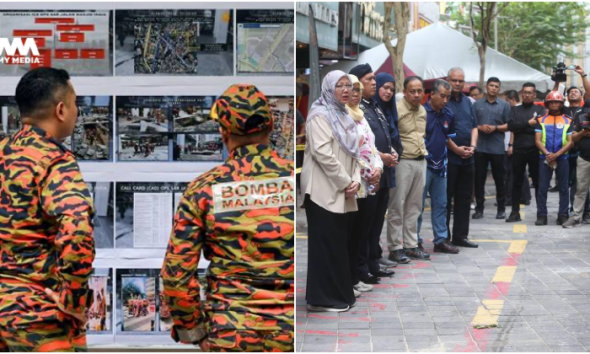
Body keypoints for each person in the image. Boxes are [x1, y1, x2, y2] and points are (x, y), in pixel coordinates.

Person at [162, 84, 294, 351]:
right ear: (270, 127)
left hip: (229, 333)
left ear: (223, 133)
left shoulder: (203, 189)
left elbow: (176, 275)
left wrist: (196, 334)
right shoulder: (295, 179)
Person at [0, 68, 95, 351]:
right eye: (75, 103)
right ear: (61, 110)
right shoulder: (55, 161)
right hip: (38, 317)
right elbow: (77, 230)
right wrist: (75, 302)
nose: (77, 111)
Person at [299, 70, 361, 313]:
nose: (346, 90)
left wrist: (354, 179)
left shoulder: (343, 115)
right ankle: (321, 299)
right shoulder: (319, 116)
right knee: (326, 247)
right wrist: (346, 182)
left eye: (348, 85)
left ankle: (336, 295)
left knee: (337, 246)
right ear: (328, 88)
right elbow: (323, 154)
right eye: (340, 86)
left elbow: (354, 152)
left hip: (342, 189)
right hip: (323, 191)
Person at [350, 64, 399, 275]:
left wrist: (391, 152)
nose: (373, 83)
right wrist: (382, 157)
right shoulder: (355, 108)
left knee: (377, 220)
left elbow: (381, 136)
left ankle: (372, 262)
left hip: (382, 171)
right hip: (365, 175)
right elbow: (360, 147)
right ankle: (363, 266)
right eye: (369, 79)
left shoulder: (374, 106)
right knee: (365, 225)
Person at [345, 74, 384, 292]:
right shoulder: (342, 116)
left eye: (359, 90)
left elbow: (372, 146)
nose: (356, 94)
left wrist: (377, 167)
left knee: (362, 230)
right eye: (352, 89)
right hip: (354, 182)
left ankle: (356, 274)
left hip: (368, 181)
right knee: (351, 233)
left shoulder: (362, 116)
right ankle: (350, 278)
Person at [387, 76, 430, 263]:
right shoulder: (396, 110)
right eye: (412, 91)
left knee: (415, 206)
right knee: (397, 205)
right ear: (404, 92)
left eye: (419, 91)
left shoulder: (422, 111)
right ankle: (395, 248)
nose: (416, 94)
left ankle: (411, 245)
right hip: (402, 162)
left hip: (421, 161)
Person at [417, 79, 460, 254]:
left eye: (448, 97)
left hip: (441, 165)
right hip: (422, 164)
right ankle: (415, 240)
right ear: (432, 94)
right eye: (442, 96)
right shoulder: (420, 112)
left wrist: (458, 150)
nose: (445, 100)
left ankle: (441, 239)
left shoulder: (449, 114)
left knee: (441, 205)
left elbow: (447, 138)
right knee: (417, 205)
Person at [445, 68, 479, 248]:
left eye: (460, 80)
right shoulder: (443, 101)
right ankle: (444, 238)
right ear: (448, 80)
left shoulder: (468, 102)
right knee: (446, 199)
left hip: (468, 157)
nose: (457, 83)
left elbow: (475, 126)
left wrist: (473, 147)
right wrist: (457, 150)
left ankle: (460, 236)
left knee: (465, 198)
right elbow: (442, 131)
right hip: (450, 157)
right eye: (454, 80)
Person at [505, 83, 545, 222]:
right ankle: (514, 212)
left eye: (530, 93)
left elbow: (540, 127)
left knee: (538, 182)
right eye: (525, 92)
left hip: (535, 150)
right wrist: (528, 123)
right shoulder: (515, 110)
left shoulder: (540, 109)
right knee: (516, 181)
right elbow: (511, 126)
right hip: (519, 150)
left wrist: (521, 126)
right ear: (522, 94)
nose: (527, 95)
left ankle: (541, 213)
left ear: (534, 95)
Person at [472, 77, 511, 220]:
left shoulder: (505, 105)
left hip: (497, 148)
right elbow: (471, 124)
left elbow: (509, 125)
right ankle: (479, 209)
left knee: (499, 179)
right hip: (480, 147)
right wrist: (480, 127)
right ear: (486, 87)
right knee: (479, 180)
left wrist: (495, 128)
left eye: (496, 86)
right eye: (491, 86)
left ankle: (501, 209)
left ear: (499, 89)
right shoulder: (476, 105)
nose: (493, 88)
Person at [535, 91, 573, 226]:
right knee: (542, 188)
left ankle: (563, 215)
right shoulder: (541, 120)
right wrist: (548, 155)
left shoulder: (568, 120)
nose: (554, 104)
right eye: (551, 102)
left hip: (562, 158)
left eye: (557, 102)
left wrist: (556, 155)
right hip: (544, 158)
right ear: (547, 104)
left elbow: (570, 142)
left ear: (561, 104)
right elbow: (538, 141)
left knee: (563, 188)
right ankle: (541, 215)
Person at [563, 99, 590, 227]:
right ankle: (576, 216)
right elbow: (572, 138)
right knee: (580, 189)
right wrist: (582, 133)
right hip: (584, 158)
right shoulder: (581, 118)